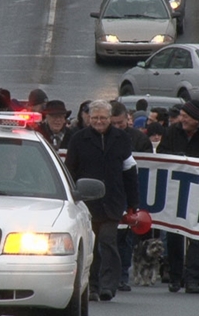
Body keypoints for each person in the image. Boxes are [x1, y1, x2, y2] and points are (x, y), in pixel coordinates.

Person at [65, 100, 140, 302]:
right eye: (95, 117)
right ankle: (92, 286)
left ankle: (108, 285)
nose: (99, 121)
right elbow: (70, 170)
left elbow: (129, 171)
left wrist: (133, 204)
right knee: (90, 245)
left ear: (109, 119)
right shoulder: (78, 139)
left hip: (113, 202)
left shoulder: (121, 139)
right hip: (86, 204)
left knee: (108, 242)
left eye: (103, 118)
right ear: (89, 118)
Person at [156, 100, 199, 294]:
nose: (182, 120)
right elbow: (161, 154)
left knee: (196, 235)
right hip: (176, 190)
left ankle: (193, 279)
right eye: (182, 116)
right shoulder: (172, 132)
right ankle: (175, 276)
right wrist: (177, 158)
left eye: (186, 117)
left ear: (196, 120)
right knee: (174, 235)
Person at [109, 101, 152, 292]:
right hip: (109, 194)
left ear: (128, 119)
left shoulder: (138, 139)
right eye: (114, 124)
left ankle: (122, 276)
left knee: (125, 239)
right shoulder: (103, 137)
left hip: (126, 193)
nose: (118, 127)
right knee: (109, 238)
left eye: (121, 123)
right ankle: (108, 275)